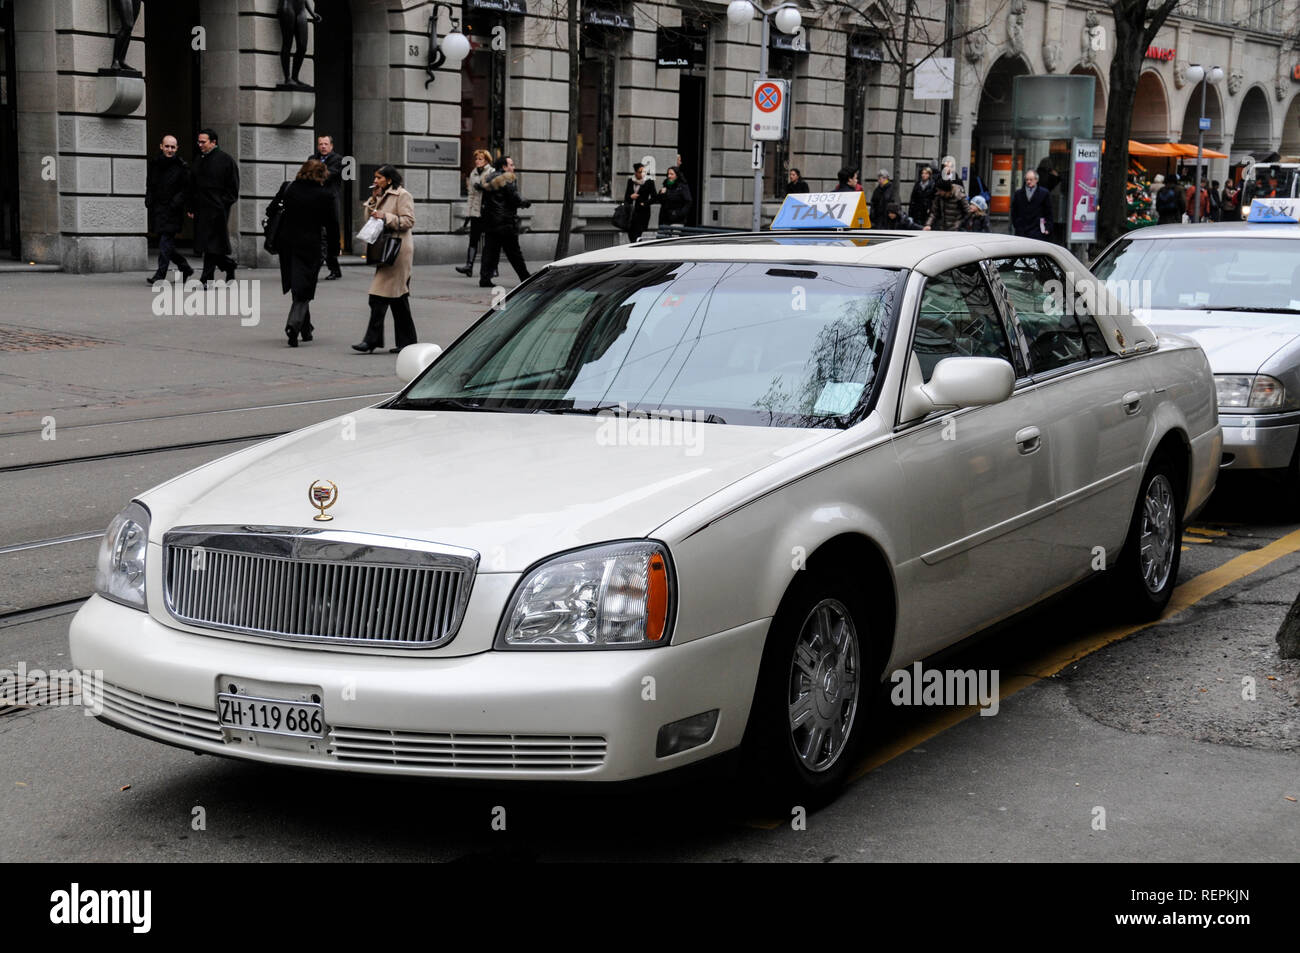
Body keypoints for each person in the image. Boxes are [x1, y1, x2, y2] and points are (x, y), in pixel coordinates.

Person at [352, 164, 416, 354]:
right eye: (374, 177)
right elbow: (369, 219)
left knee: (378, 296)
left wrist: (386, 216)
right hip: (385, 250)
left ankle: (371, 341)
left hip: (397, 251)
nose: (375, 181)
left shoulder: (403, 195)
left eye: (378, 177)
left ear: (388, 179)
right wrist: (373, 201)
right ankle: (407, 341)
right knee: (398, 298)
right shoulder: (381, 195)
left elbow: (408, 221)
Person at [276, 159, 339, 347]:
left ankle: (306, 328)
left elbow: (272, 209)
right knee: (305, 286)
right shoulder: (325, 195)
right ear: (321, 175)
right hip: (310, 244)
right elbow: (332, 224)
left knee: (298, 284)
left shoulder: (289, 188)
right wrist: (334, 250)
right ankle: (293, 326)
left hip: (287, 243)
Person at [187, 128, 239, 285]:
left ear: (213, 142)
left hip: (217, 210)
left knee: (211, 246)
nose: (200, 144)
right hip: (202, 210)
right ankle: (229, 266)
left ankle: (206, 279)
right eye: (199, 142)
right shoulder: (199, 160)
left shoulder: (226, 160)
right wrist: (191, 207)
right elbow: (192, 186)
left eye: (203, 142)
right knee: (208, 246)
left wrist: (222, 204)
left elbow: (233, 188)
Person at [145, 134, 193, 284]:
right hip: (158, 209)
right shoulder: (154, 164)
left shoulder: (181, 166)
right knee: (165, 244)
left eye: (173, 147)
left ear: (177, 148)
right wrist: (148, 199)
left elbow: (186, 189)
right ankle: (185, 267)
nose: (170, 149)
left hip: (172, 211)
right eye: (167, 146)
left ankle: (160, 274)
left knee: (165, 242)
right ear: (161, 146)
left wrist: (175, 203)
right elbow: (150, 184)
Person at [478, 155, 531, 288]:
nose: (513, 167)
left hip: (491, 222)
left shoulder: (489, 178)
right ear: (504, 167)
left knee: (490, 251)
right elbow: (514, 197)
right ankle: (525, 277)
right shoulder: (507, 179)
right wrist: (525, 203)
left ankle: (485, 278)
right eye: (511, 165)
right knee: (514, 252)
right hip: (505, 221)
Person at [310, 134, 343, 279]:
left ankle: (333, 267)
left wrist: (314, 172)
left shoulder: (337, 159)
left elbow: (330, 174)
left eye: (325, 144)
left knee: (329, 235)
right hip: (315, 201)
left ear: (331, 146)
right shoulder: (312, 158)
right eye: (320, 144)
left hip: (329, 201)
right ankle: (323, 266)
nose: (323, 146)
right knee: (319, 234)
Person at [455, 148, 492, 277]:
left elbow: (494, 190)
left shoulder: (492, 172)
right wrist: (468, 212)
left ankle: (491, 268)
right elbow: (471, 195)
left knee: (490, 242)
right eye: (476, 159)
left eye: (480, 159)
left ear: (486, 160)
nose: (477, 161)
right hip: (476, 212)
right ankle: (469, 265)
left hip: (488, 212)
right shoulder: (473, 173)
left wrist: (484, 187)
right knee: (473, 239)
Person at [1010, 169, 1052, 239]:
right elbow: (1014, 211)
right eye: (1027, 180)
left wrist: (1048, 228)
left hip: (1037, 230)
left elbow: (1048, 212)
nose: (1028, 182)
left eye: (1031, 179)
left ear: (1036, 180)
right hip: (1022, 230)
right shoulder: (1018, 194)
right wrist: (1017, 225)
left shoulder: (1044, 193)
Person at [622, 163, 656, 241]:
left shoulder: (649, 182)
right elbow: (626, 197)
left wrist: (645, 203)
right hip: (631, 212)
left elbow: (654, 197)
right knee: (631, 234)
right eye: (640, 172)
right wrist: (631, 197)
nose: (642, 174)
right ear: (635, 172)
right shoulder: (631, 181)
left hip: (642, 212)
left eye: (643, 171)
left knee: (638, 234)